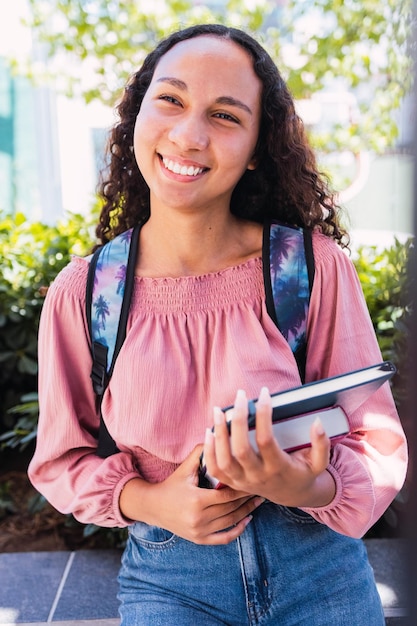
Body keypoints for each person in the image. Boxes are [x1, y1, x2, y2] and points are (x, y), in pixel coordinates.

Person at [28, 24, 407, 625]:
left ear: (258, 146)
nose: (189, 134)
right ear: (136, 115)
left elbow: (376, 437)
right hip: (171, 580)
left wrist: (305, 487)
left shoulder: (310, 270)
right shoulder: (89, 292)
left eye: (226, 115)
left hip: (320, 569)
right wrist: (152, 500)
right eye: (171, 100)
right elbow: (59, 460)